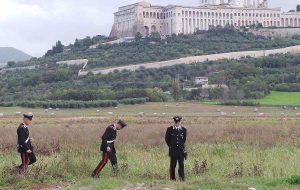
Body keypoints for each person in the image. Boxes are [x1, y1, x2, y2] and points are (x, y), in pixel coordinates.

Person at [165, 116, 187, 181]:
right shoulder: (169, 129)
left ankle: (182, 178)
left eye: (178, 122)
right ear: (174, 122)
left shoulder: (183, 130)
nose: (177, 123)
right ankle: (172, 179)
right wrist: (171, 146)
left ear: (180, 122)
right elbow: (167, 139)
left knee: (181, 165)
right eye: (176, 122)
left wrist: (181, 147)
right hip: (173, 151)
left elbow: (184, 140)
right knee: (172, 166)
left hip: (181, 151)